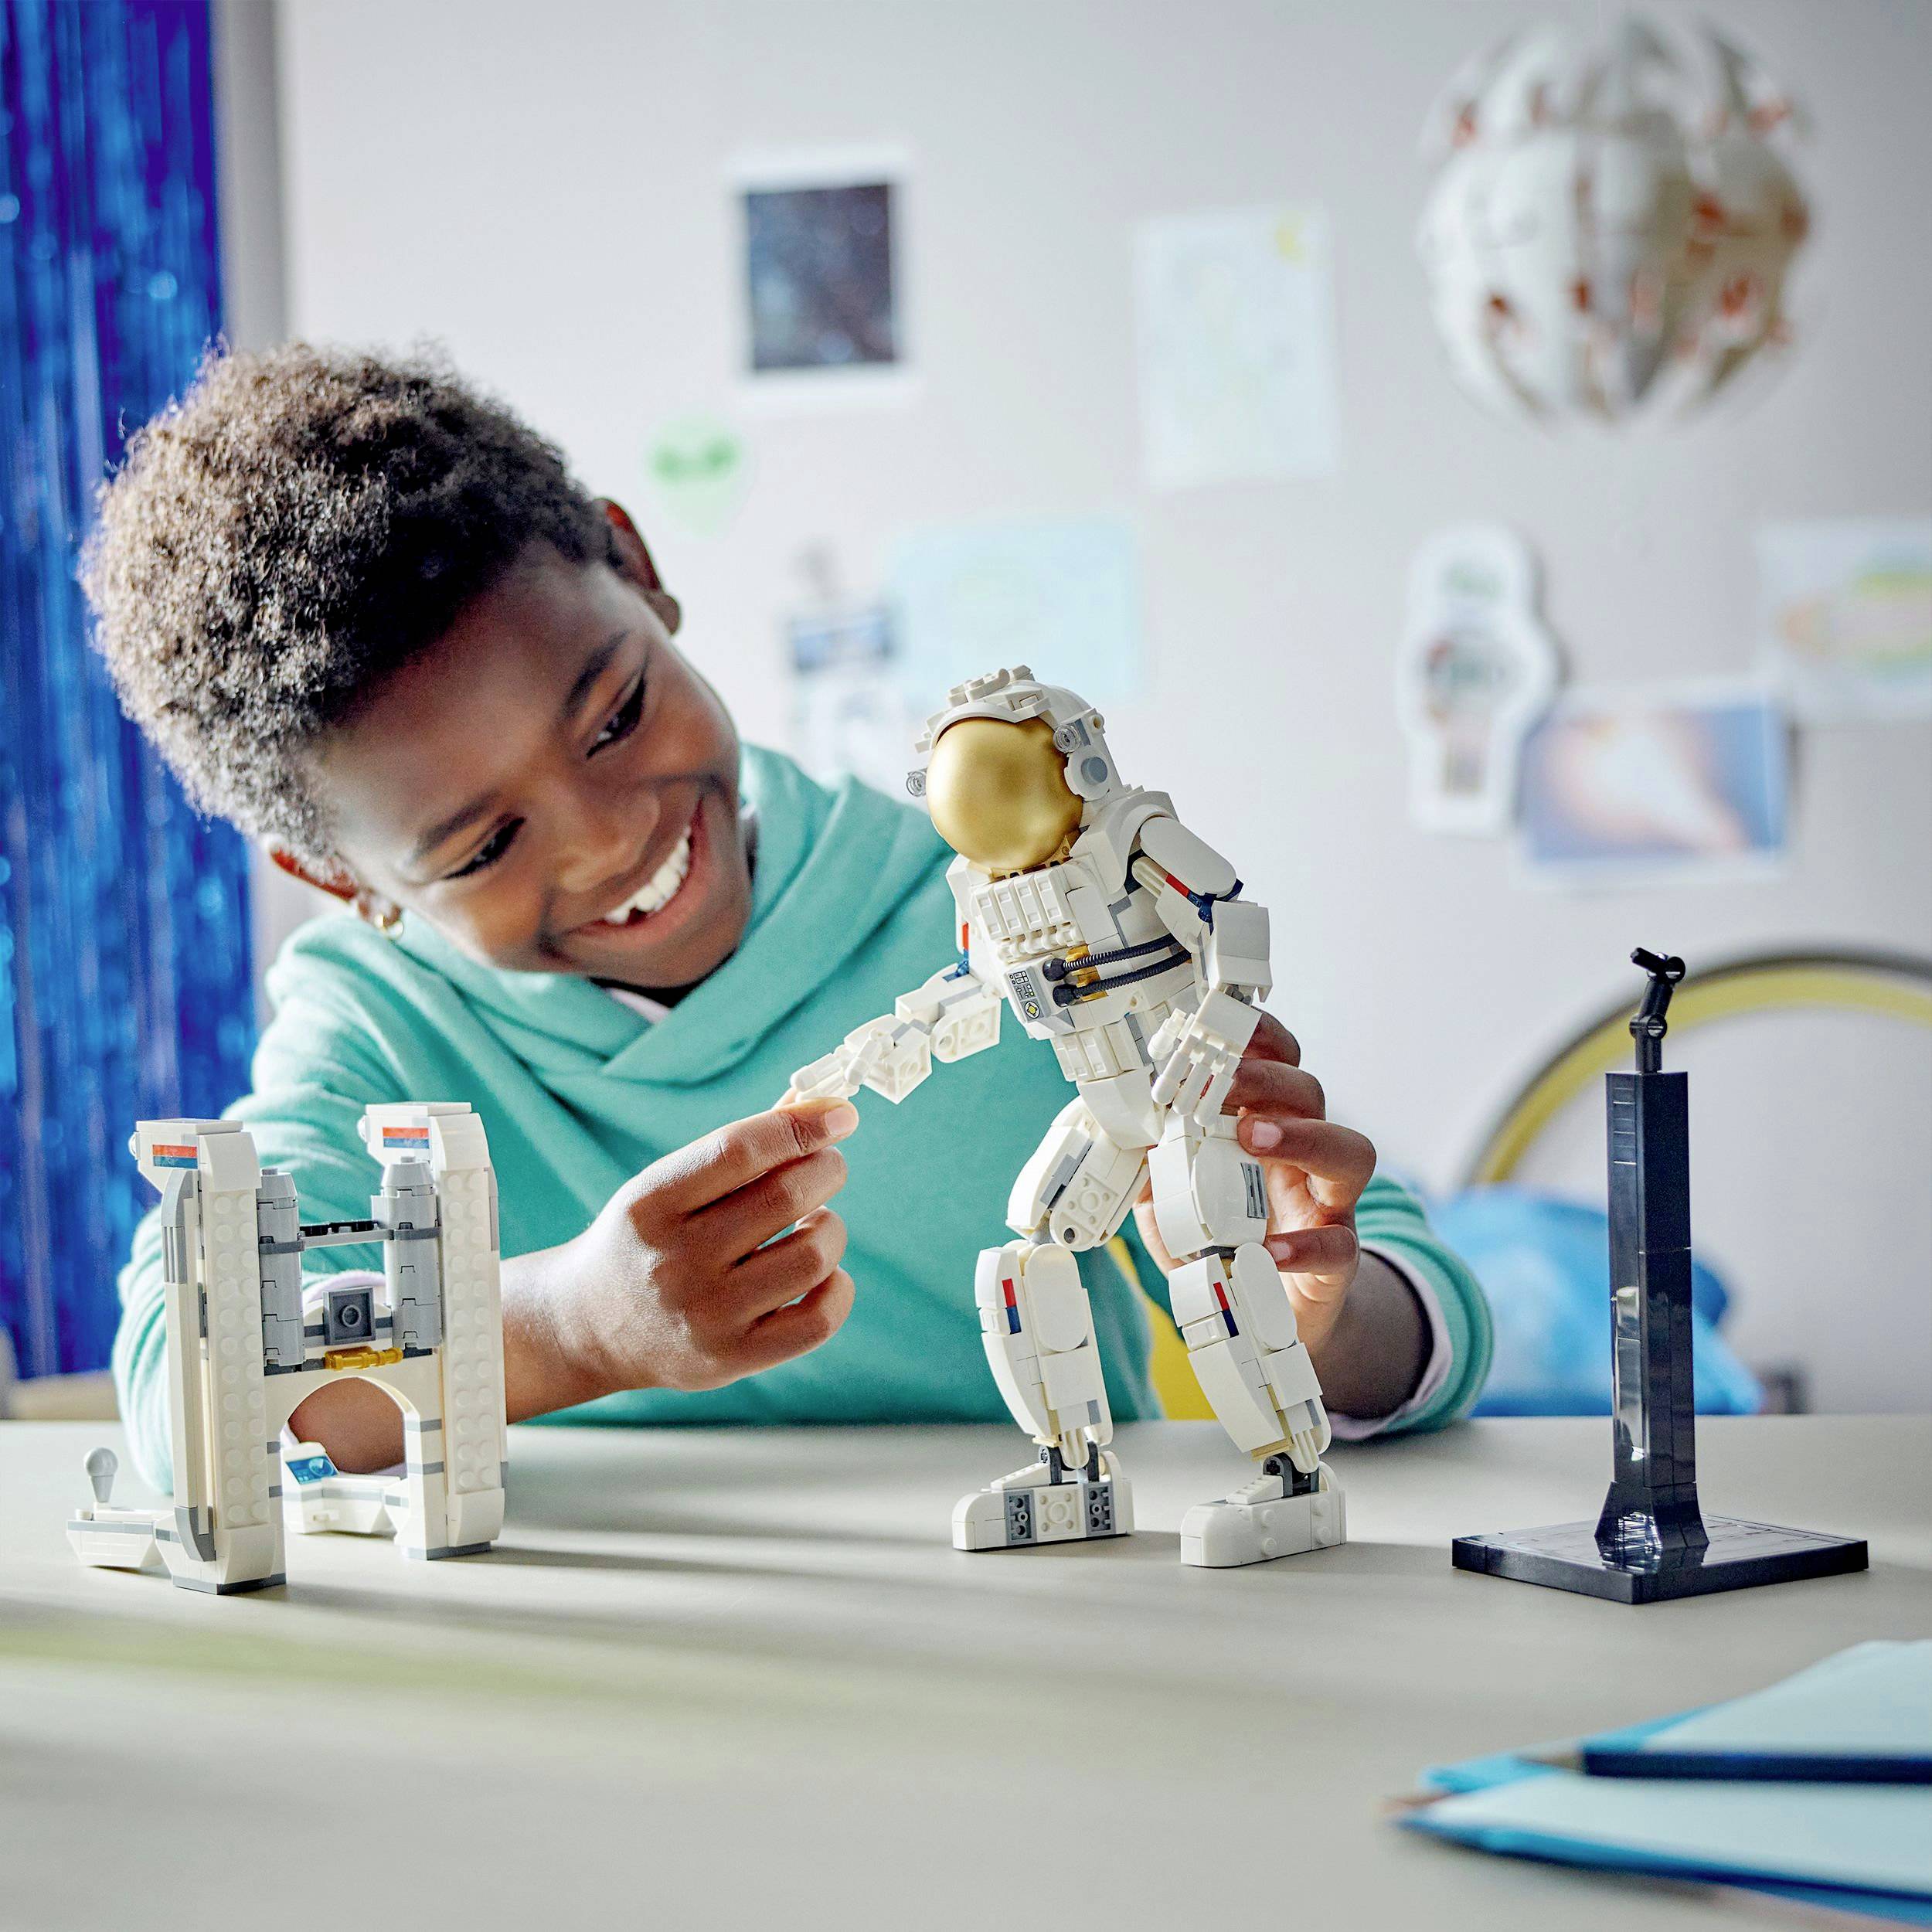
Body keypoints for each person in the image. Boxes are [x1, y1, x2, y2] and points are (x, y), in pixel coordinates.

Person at [84, 344, 1490, 1503]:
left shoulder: (992, 908)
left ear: (635, 568)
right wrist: (571, 1329)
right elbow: (192, 1384)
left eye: (617, 714)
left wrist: (1326, 1302)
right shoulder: (370, 1031)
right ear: (348, 882)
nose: (610, 837)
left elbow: (1418, 1314)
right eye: (488, 843)